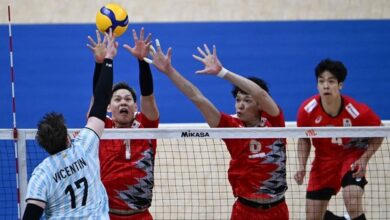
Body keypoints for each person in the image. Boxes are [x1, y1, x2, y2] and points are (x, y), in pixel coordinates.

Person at [145, 41, 289, 220]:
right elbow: (197, 98)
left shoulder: (275, 123)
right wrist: (169, 71)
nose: (240, 105)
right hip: (245, 211)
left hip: (277, 210)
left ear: (260, 105)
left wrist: (223, 73)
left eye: (247, 100)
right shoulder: (230, 127)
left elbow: (261, 94)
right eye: (237, 100)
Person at [22, 30, 117, 219]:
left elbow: (31, 215)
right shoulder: (84, 146)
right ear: (68, 136)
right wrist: (107, 60)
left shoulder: (42, 174)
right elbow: (100, 102)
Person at [294, 58, 384, 220]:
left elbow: (380, 132)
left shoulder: (357, 112)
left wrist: (363, 159)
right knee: (313, 216)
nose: (326, 86)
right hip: (323, 163)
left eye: (331, 81)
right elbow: (304, 138)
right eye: (321, 81)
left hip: (350, 159)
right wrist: (301, 166)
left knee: (352, 199)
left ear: (340, 85)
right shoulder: (307, 111)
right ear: (317, 85)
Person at [87, 27, 159, 220]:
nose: (123, 102)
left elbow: (148, 96)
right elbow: (98, 97)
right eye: (117, 99)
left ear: (135, 106)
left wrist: (142, 61)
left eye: (128, 99)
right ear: (109, 107)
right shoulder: (102, 128)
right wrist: (100, 64)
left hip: (141, 216)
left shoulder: (147, 128)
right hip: (106, 215)